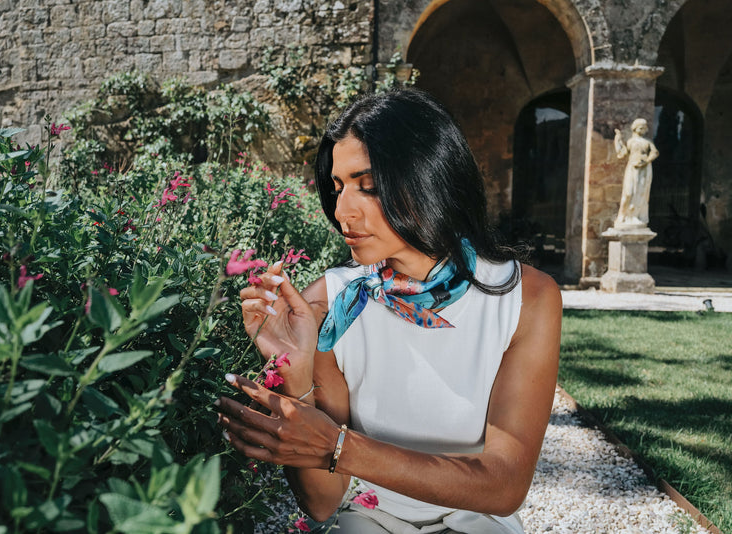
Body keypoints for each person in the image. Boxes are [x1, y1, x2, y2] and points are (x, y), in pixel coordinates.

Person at [217, 89, 562, 533]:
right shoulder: (328, 305)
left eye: (369, 186)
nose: (342, 212)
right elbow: (323, 505)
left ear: (430, 176)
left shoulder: (524, 298)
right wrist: (295, 375)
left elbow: (503, 486)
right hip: (368, 516)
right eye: (338, 188)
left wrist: (339, 447)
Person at [613, 118, 659, 228]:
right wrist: (618, 140)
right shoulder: (630, 142)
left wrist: (646, 161)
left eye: (644, 127)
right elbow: (623, 153)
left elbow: (655, 152)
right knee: (628, 192)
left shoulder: (647, 142)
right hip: (632, 168)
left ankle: (634, 216)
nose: (642, 129)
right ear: (635, 128)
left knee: (640, 193)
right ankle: (623, 216)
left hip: (644, 169)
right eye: (640, 127)